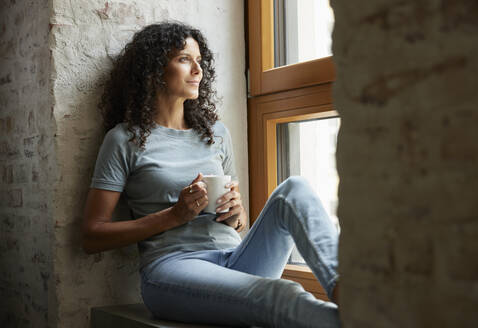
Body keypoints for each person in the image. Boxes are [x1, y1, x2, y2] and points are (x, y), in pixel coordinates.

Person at [82, 21, 340, 328]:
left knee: (294, 189)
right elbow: (91, 235)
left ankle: (351, 293)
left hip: (234, 258)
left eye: (200, 62)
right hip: (172, 270)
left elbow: (238, 222)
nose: (197, 71)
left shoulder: (215, 133)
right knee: (282, 293)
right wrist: (174, 216)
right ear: (153, 70)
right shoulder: (124, 139)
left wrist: (236, 213)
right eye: (184, 59)